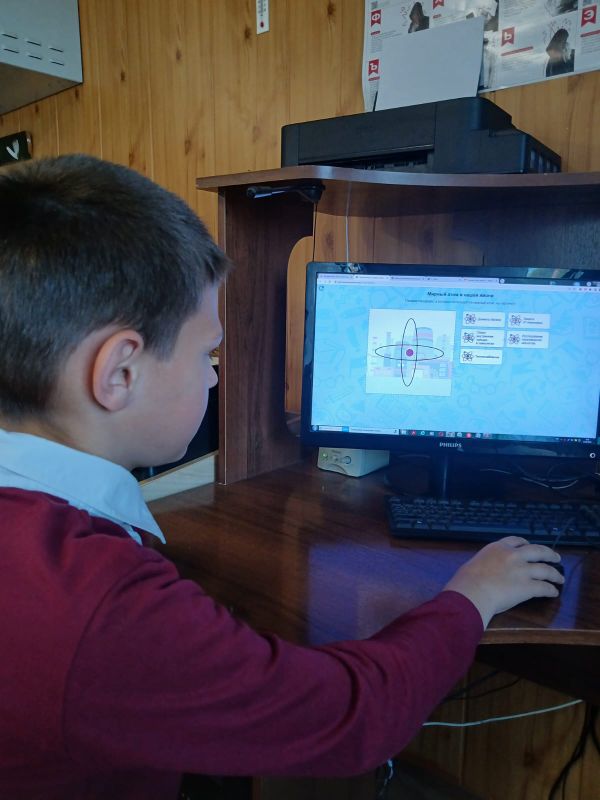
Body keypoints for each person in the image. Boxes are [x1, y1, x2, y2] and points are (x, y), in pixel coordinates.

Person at [0, 155, 564, 800]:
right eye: (208, 352)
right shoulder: (98, 607)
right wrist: (472, 595)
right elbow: (353, 716)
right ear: (119, 372)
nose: (215, 374)